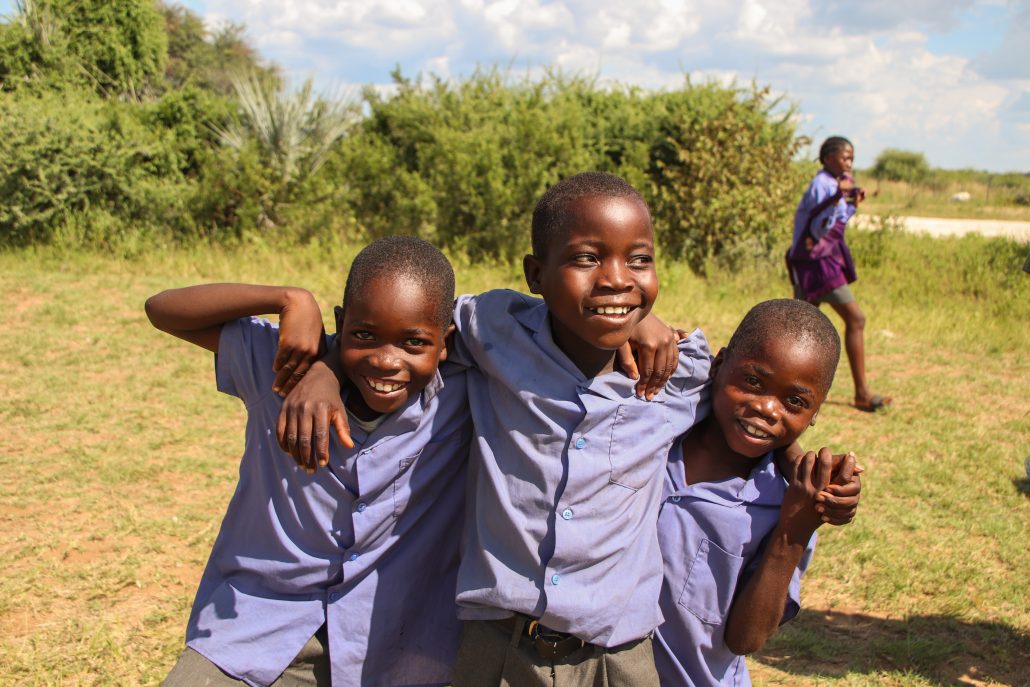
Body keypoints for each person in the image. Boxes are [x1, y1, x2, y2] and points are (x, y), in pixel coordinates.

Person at [146, 236, 471, 687]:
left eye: (413, 342)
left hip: (398, 646)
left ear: (445, 345)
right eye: (364, 335)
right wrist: (287, 298)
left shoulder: (462, 396)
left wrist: (332, 367)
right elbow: (161, 309)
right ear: (341, 322)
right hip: (257, 629)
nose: (385, 360)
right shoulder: (281, 367)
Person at [654, 299, 855, 686]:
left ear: (815, 414)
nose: (767, 408)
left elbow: (745, 639)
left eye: (794, 401)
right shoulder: (659, 427)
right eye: (753, 381)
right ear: (718, 363)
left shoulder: (786, 505)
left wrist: (792, 532)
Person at [786, 136, 891, 412]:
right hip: (816, 263)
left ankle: (787, 383)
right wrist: (837, 198)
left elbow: (836, 222)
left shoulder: (833, 186)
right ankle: (861, 393)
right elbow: (820, 229)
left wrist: (850, 202)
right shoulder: (823, 185)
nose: (848, 163)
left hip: (820, 260)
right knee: (854, 319)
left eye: (851, 159)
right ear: (827, 158)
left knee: (800, 324)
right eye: (844, 158)